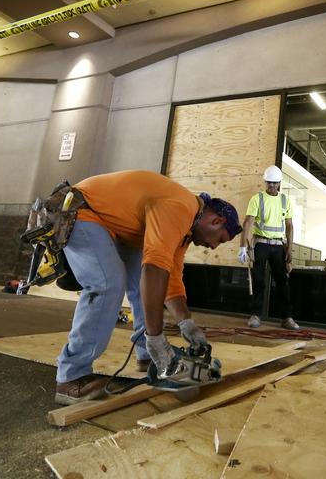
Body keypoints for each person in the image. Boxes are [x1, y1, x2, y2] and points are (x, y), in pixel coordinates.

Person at [54, 170, 242, 405]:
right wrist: (157, 338)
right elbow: (154, 270)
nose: (213, 246)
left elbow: (171, 280)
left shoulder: (185, 229)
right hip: (83, 210)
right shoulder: (181, 207)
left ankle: (149, 357)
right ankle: (71, 377)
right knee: (108, 284)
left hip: (119, 227)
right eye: (220, 239)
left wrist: (187, 324)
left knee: (149, 285)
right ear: (217, 221)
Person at [238, 165, 299, 331]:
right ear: (265, 182)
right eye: (269, 183)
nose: (271, 186)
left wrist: (289, 249)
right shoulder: (257, 199)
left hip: (279, 246)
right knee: (259, 280)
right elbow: (248, 222)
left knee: (282, 281)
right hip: (261, 244)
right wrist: (243, 246)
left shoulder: (286, 201)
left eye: (274, 183)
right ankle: (255, 315)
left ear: (279, 183)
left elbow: (290, 226)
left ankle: (287, 317)